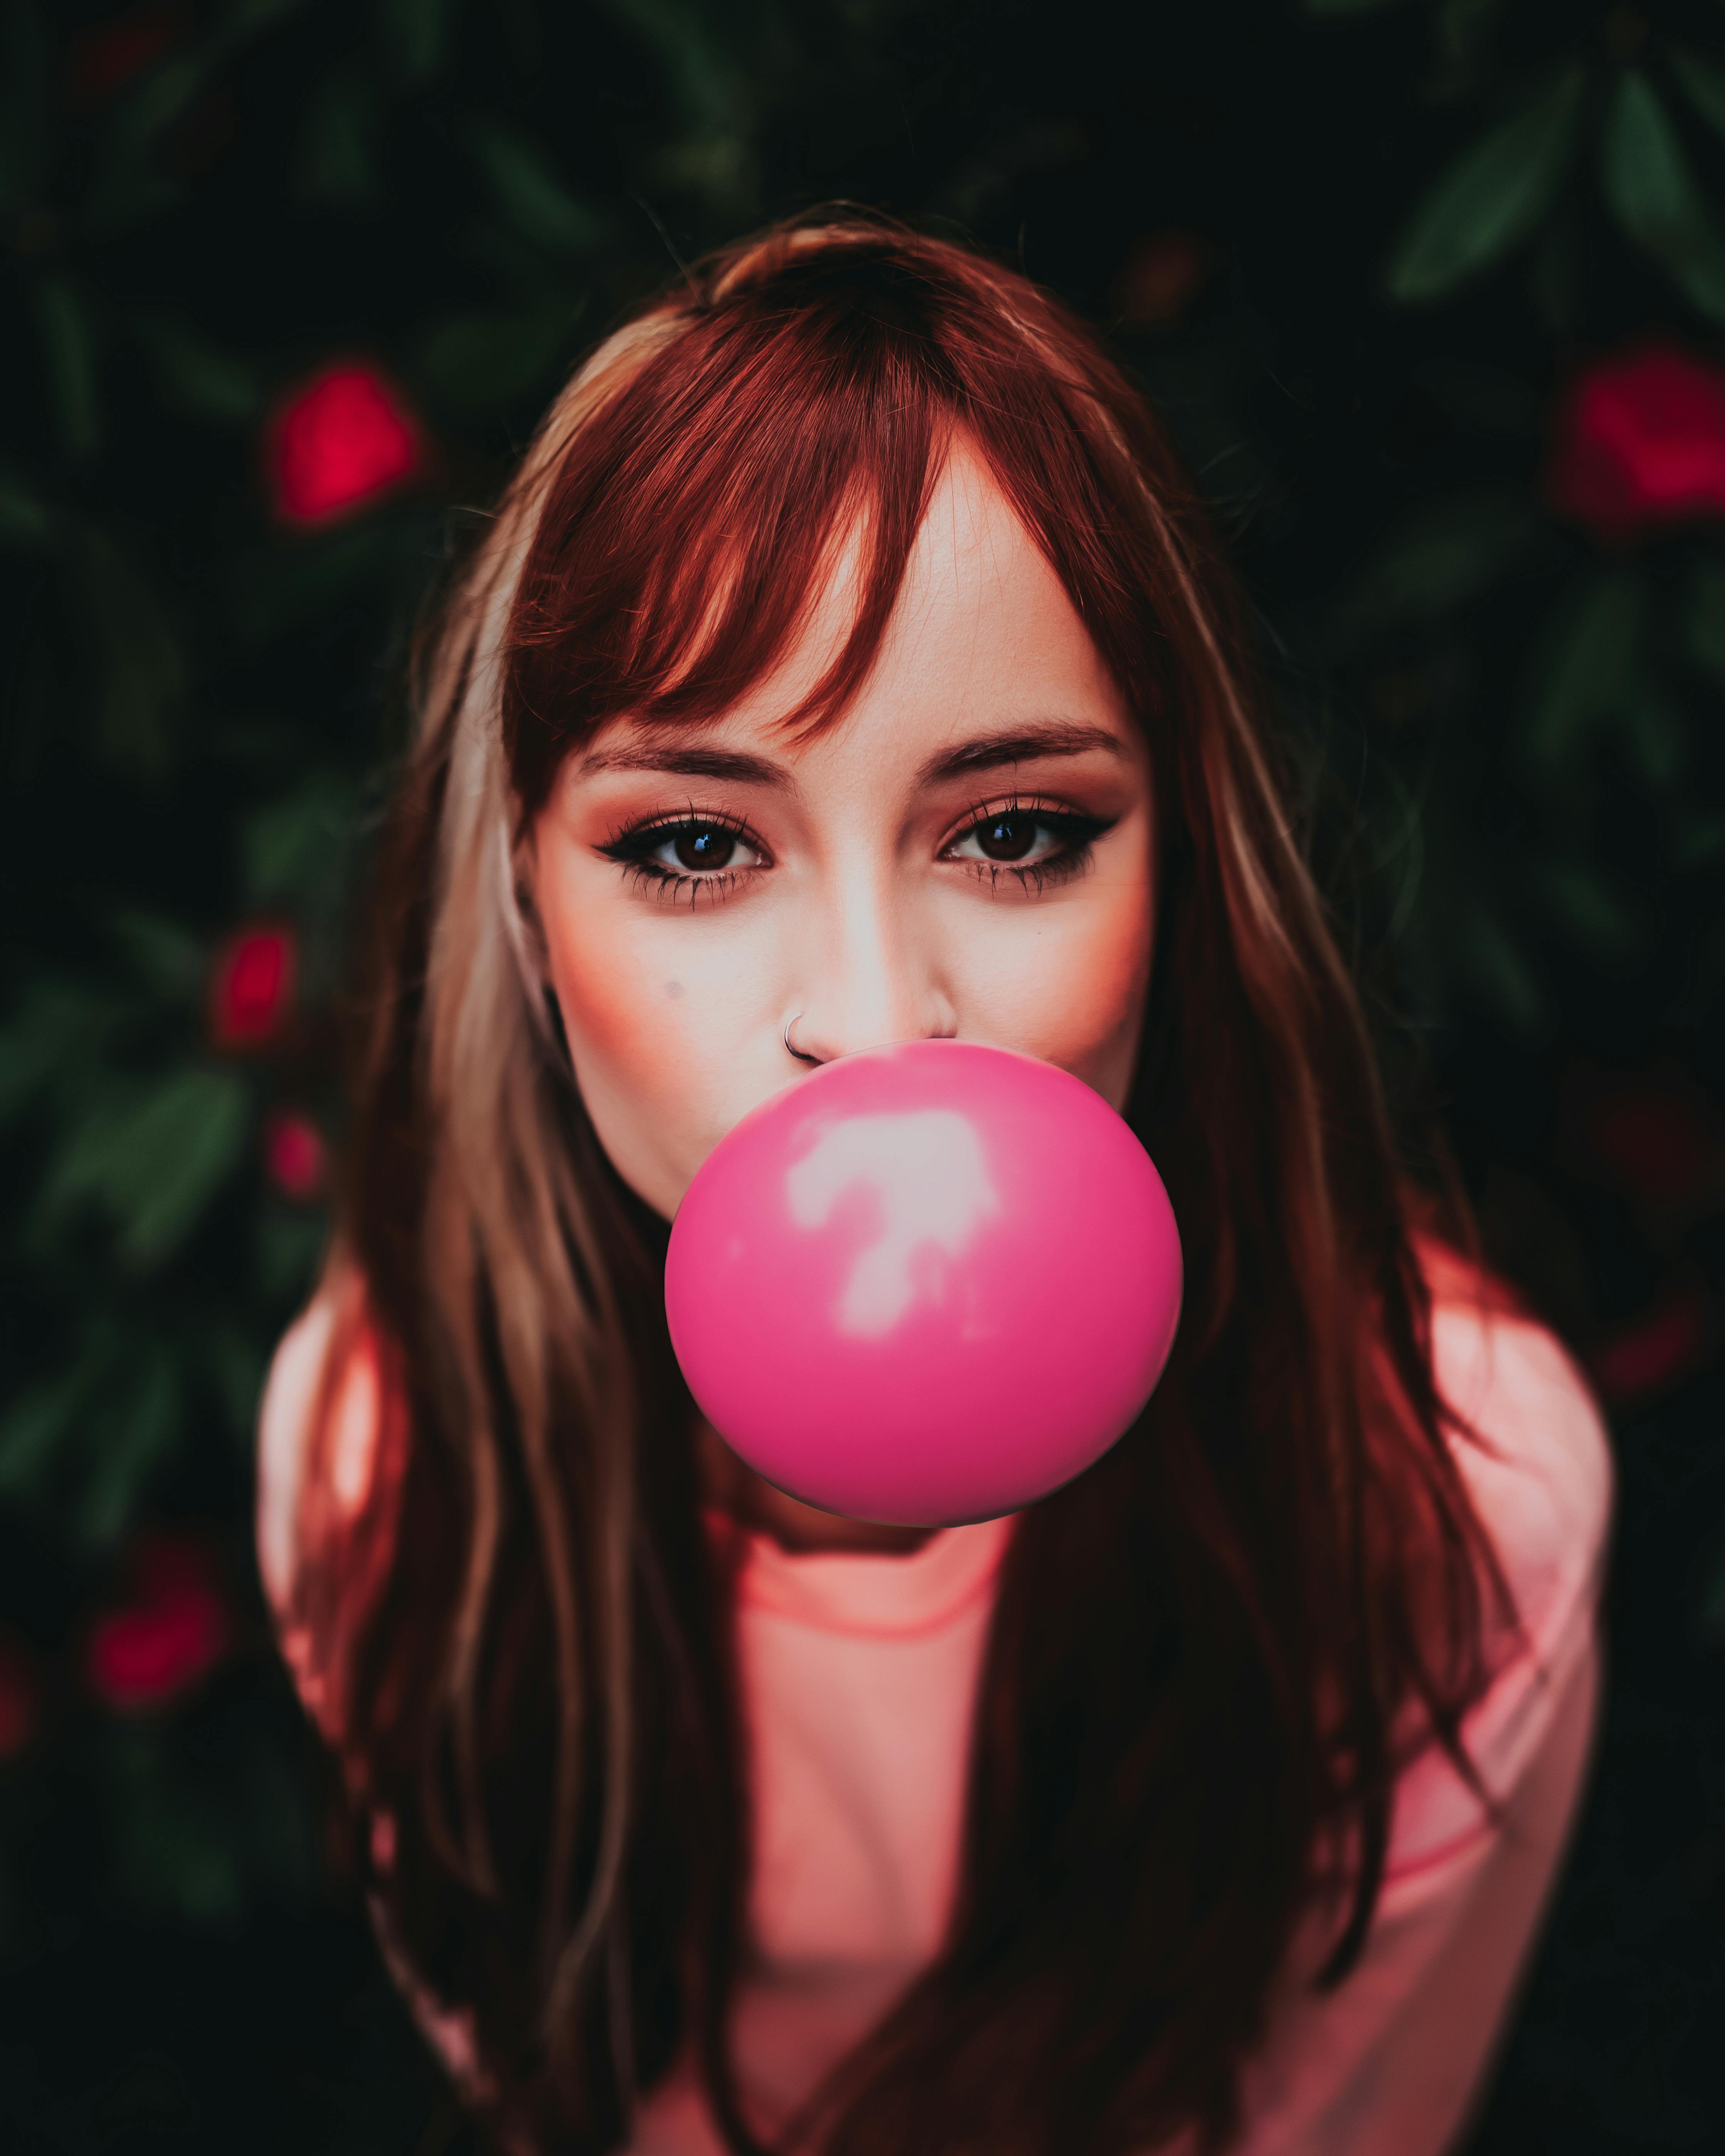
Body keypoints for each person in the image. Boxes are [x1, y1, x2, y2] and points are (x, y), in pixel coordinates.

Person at [256, 214, 1612, 2156]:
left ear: (1185, 888)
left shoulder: (1451, 1492)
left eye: (1018, 829)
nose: (880, 1024)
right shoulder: (388, 1463)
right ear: (532, 915)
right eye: (703, 845)